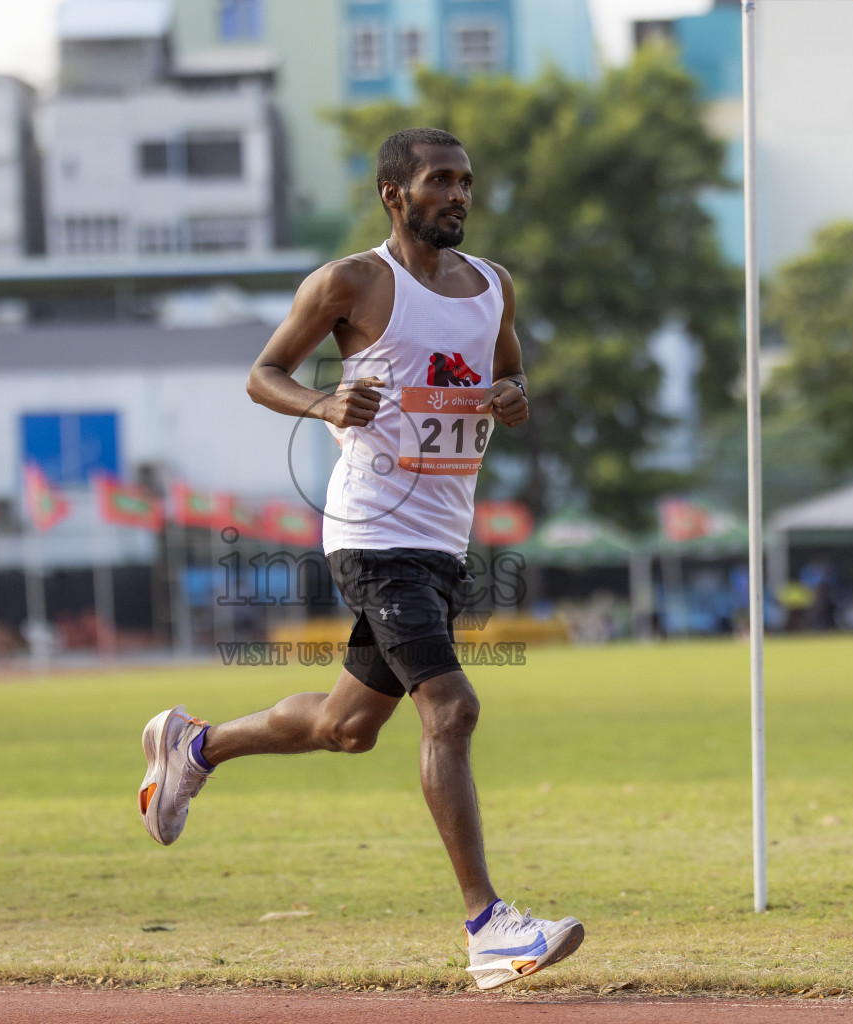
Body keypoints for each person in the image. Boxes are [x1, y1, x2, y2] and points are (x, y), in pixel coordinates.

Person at [136, 128, 584, 990]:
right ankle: (488, 928)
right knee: (451, 708)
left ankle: (195, 746)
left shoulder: (494, 285)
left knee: (346, 728)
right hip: (373, 533)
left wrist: (513, 397)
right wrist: (324, 402)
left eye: (465, 180)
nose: (458, 194)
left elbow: (512, 376)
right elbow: (264, 373)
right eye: (440, 180)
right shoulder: (350, 282)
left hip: (443, 539)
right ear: (393, 193)